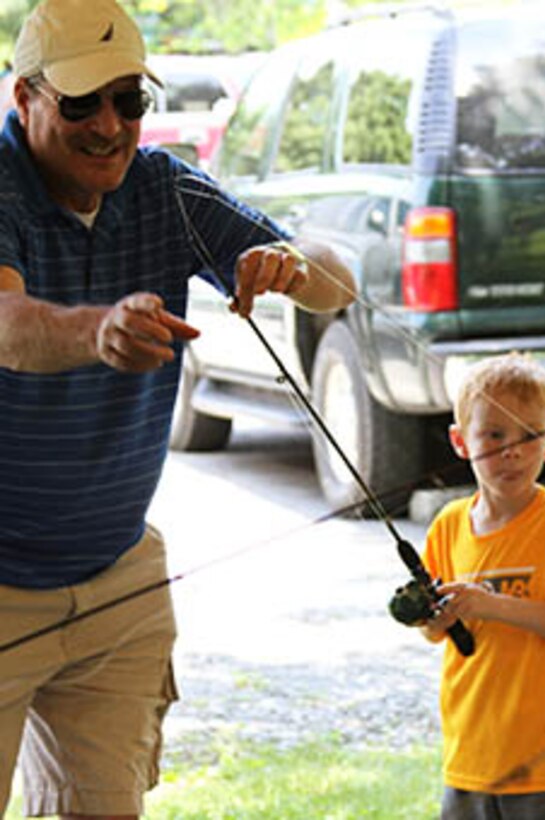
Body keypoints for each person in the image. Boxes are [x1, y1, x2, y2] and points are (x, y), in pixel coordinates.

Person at [0, 0, 356, 817]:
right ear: (24, 98)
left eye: (130, 101)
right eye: (81, 102)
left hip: (117, 581)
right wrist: (99, 333)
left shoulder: (164, 189)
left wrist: (292, 266)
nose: (110, 126)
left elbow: (338, 284)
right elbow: (8, 327)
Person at [418, 352, 545, 820]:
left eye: (530, 435)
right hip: (472, 759)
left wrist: (489, 605)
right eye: (494, 434)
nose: (513, 450)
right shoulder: (448, 526)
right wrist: (433, 618)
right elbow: (433, 629)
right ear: (461, 442)